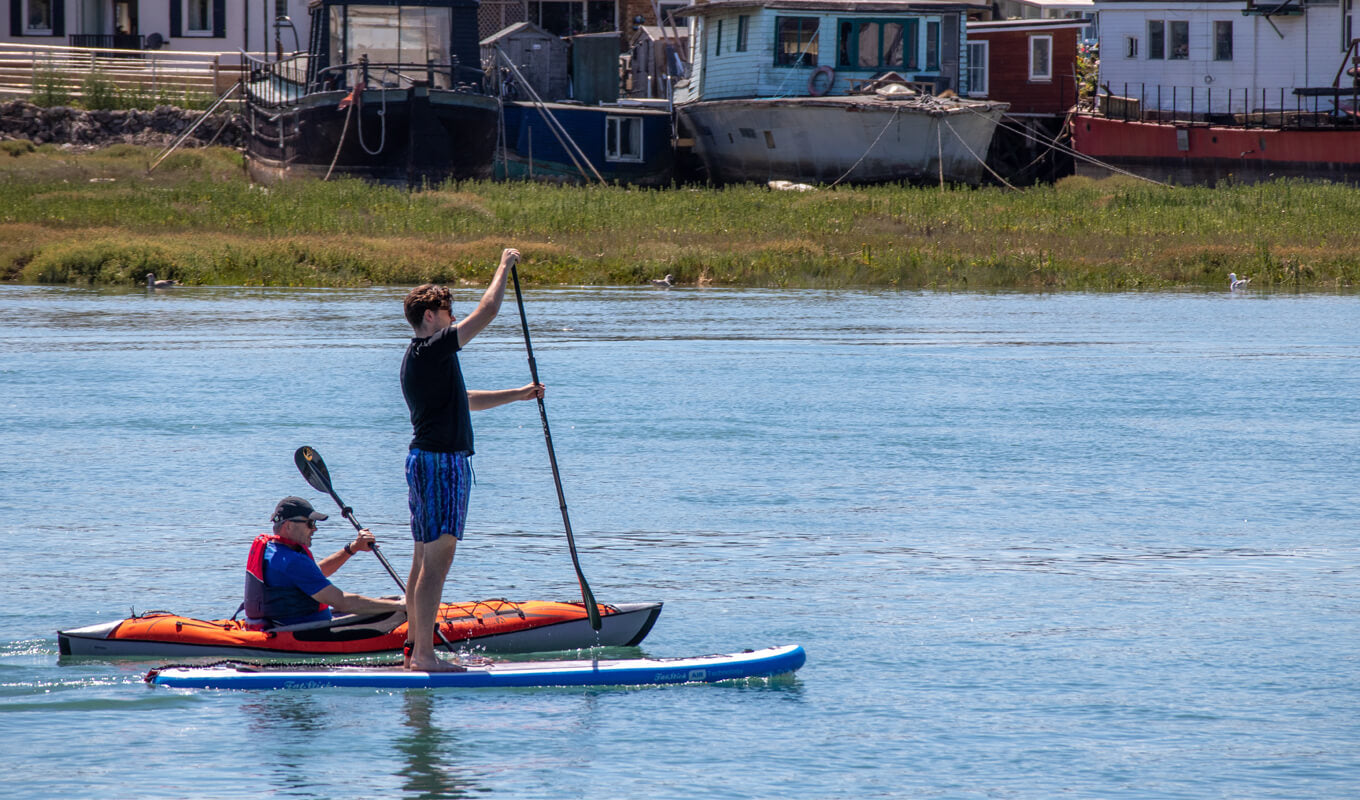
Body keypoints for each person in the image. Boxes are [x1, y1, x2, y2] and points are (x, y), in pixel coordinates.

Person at [400, 248, 544, 671]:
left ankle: (413, 648)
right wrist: (503, 265)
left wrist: (518, 394)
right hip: (441, 464)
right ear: (430, 316)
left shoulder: (423, 358)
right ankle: (424, 656)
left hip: (425, 461)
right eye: (449, 313)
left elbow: (464, 401)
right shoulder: (431, 348)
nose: (454, 319)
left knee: (423, 560)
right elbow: (488, 311)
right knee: (436, 563)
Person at [244, 496, 405, 628]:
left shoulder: (273, 550)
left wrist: (352, 548)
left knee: (392, 600)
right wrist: (401, 607)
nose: (314, 529)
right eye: (310, 523)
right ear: (288, 526)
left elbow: (314, 574)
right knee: (396, 609)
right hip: (306, 633)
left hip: (284, 624)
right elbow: (341, 601)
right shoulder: (293, 561)